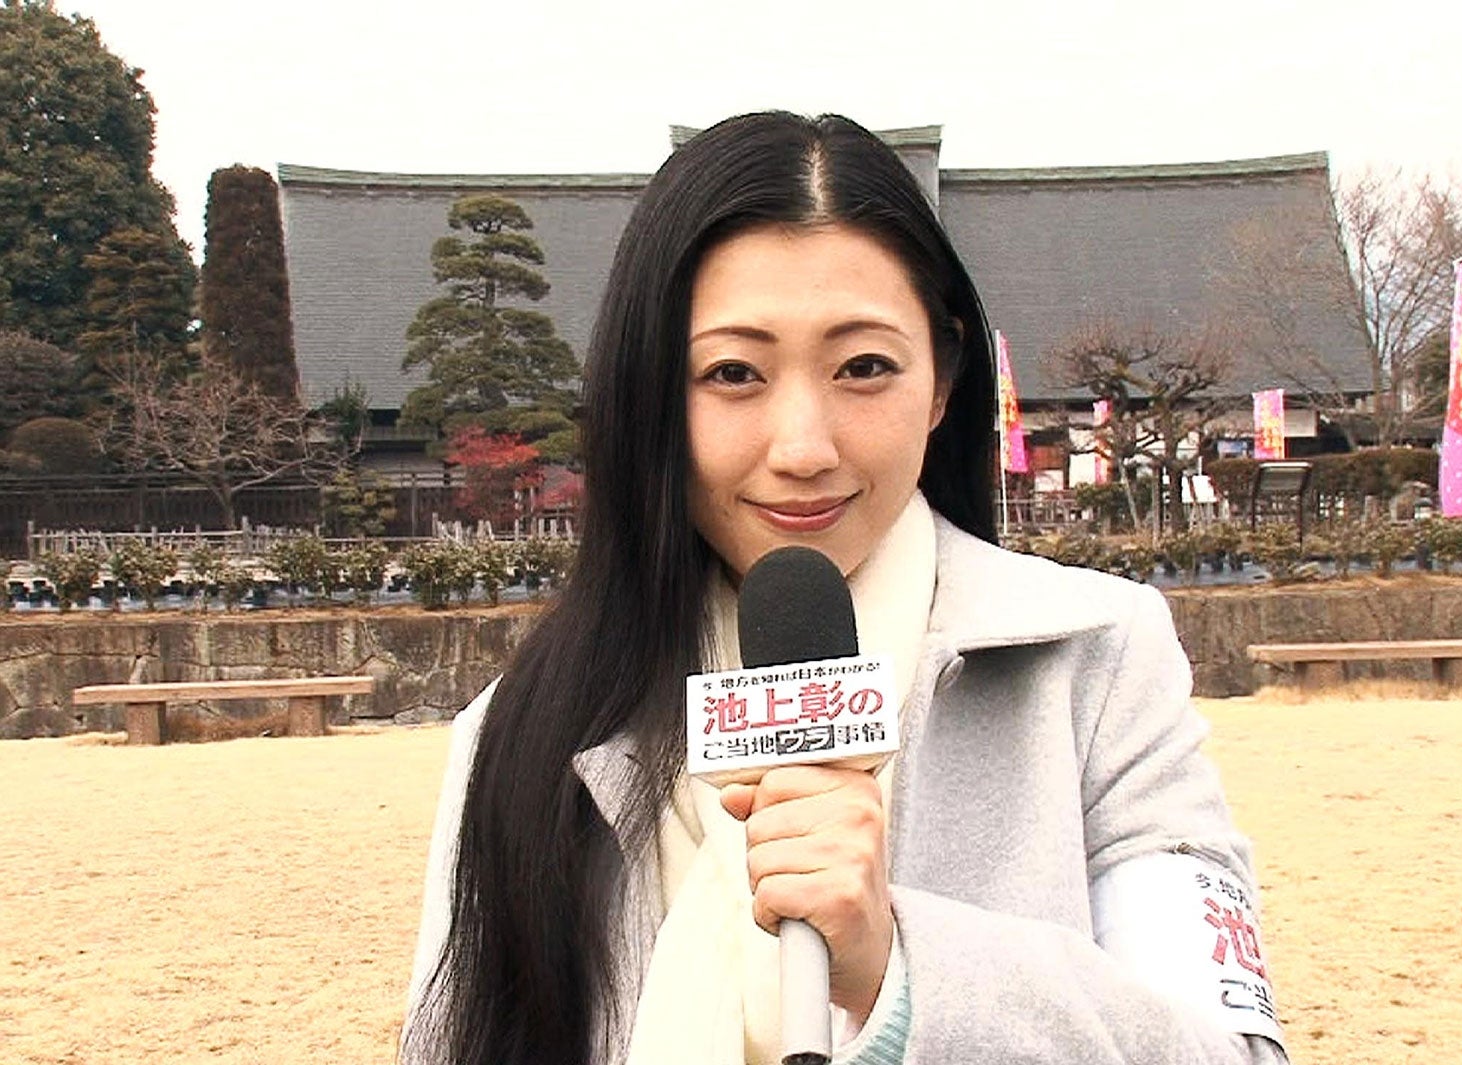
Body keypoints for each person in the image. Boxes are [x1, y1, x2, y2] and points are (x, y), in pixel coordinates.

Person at [401, 111, 1290, 1065]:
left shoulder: (1096, 665)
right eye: (732, 372)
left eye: (864, 366)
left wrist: (898, 962)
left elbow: (1230, 1053)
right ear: (652, 391)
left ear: (942, 378)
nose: (803, 447)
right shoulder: (519, 732)